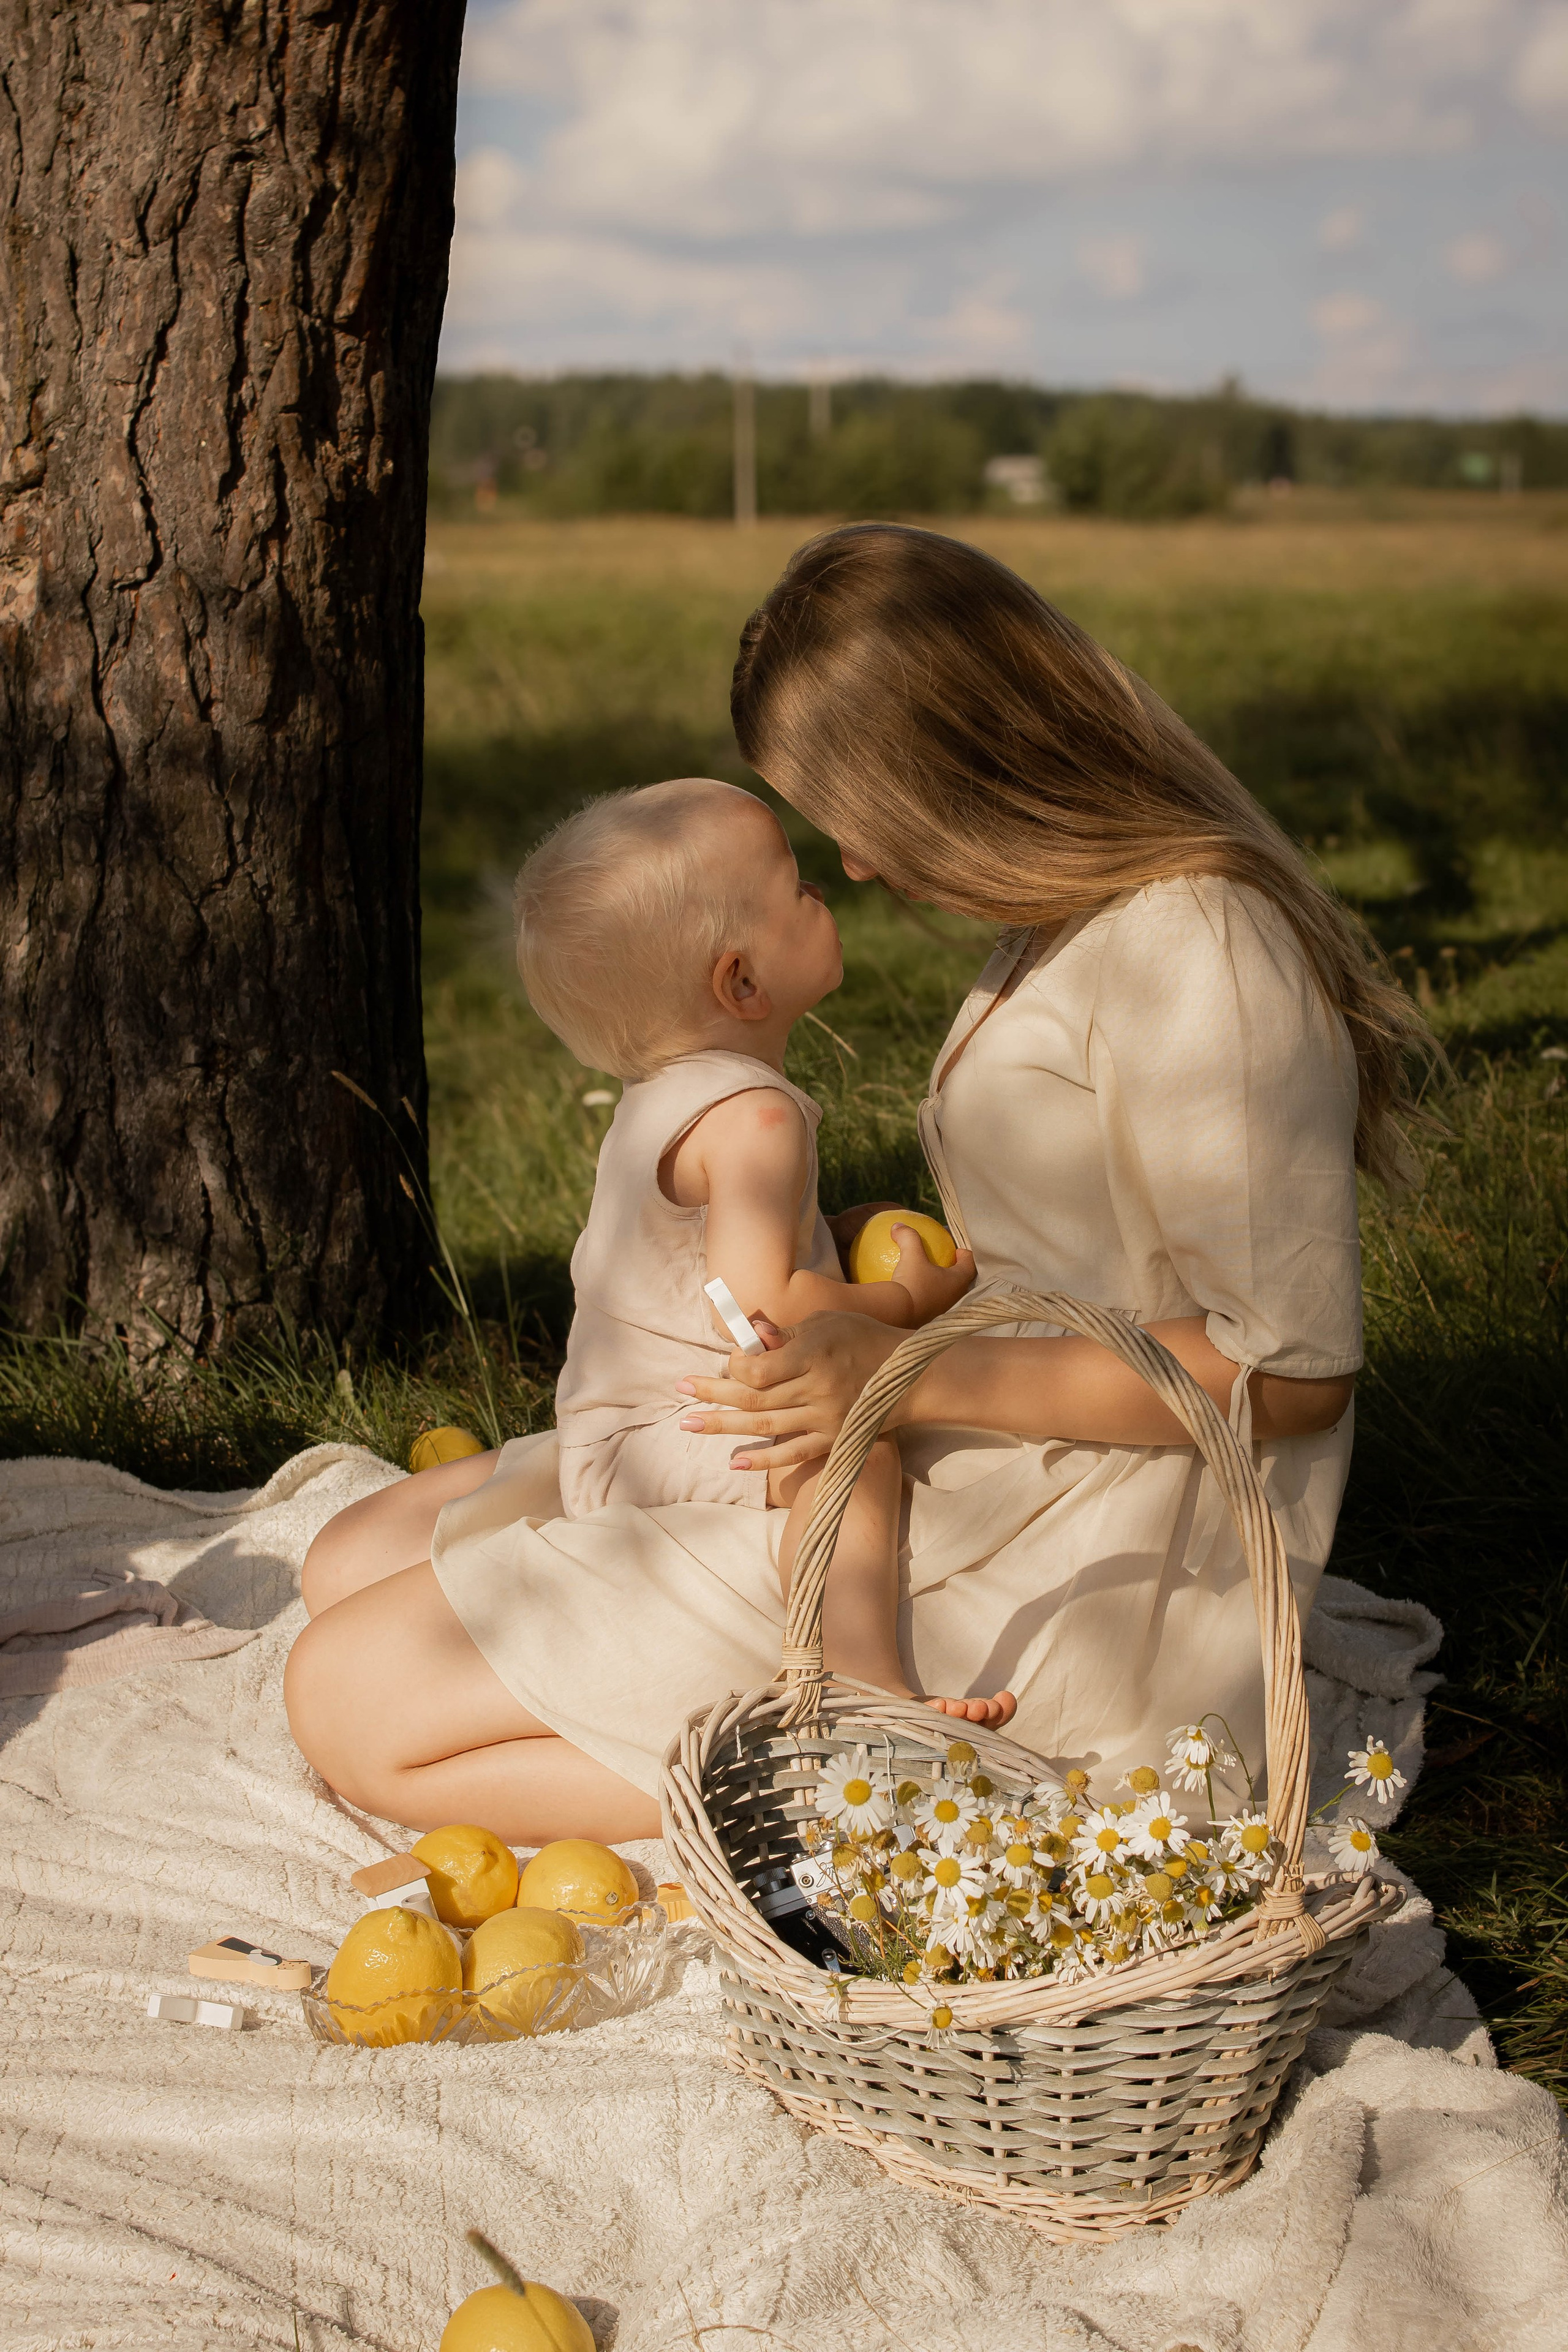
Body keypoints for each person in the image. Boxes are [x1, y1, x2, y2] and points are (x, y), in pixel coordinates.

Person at [285, 523, 1428, 1845]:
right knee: (349, 1564)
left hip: (1075, 1547)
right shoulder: (1062, 916)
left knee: (349, 1697)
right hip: (964, 1445)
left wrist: (906, 1372)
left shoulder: (1199, 953)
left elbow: (1288, 1377)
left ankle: (878, 1779)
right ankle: (800, 1731)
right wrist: (873, 1295)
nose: (862, 868)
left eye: (856, 823)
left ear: (954, 768)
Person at [508, 775, 1007, 1722]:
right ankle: (863, 1686)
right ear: (741, 980)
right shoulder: (758, 1119)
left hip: (611, 1428)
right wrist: (910, 1301)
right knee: (857, 1456)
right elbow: (765, 1313)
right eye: (796, 886)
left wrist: (837, 1231)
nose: (824, 887)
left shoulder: (673, 1097)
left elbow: (722, 1272)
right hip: (667, 1444)